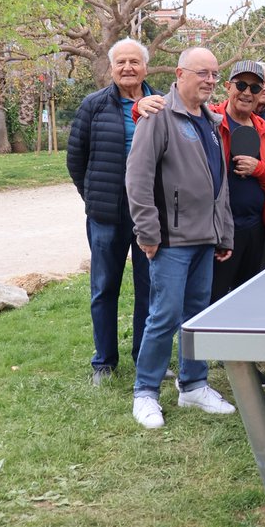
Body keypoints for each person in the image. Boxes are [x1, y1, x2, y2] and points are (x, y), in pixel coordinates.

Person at [126, 47, 236, 429]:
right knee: (165, 315)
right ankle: (145, 392)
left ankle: (193, 385)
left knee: (196, 317)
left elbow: (218, 184)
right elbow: (137, 179)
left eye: (214, 74)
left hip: (204, 239)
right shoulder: (158, 117)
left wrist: (222, 233)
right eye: (202, 73)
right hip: (170, 241)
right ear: (179, 73)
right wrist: (147, 232)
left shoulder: (209, 120)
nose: (209, 80)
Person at [67, 37, 162, 386]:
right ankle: (104, 362)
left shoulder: (162, 105)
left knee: (149, 289)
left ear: (145, 68)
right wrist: (94, 196)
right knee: (104, 288)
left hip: (148, 216)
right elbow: (76, 159)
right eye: (121, 62)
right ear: (111, 68)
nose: (127, 68)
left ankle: (145, 357)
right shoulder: (93, 106)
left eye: (134, 62)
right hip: (106, 216)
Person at [209, 60, 265, 302]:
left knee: (251, 301)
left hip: (256, 229)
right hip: (219, 228)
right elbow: (170, 111)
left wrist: (259, 169)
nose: (246, 92)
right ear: (227, 87)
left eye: (254, 88)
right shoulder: (208, 118)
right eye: (241, 84)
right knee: (214, 300)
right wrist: (142, 105)